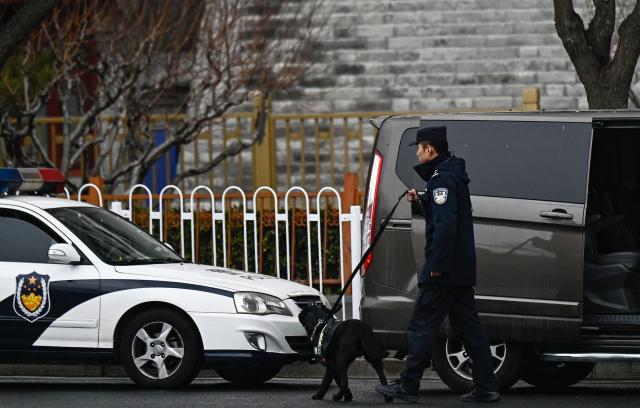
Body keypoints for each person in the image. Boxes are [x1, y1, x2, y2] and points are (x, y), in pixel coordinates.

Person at [375, 126, 500, 403]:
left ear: (429, 149)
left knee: (421, 325)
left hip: (444, 270)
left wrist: (436, 266)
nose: (418, 153)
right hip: (460, 270)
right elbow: (446, 214)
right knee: (470, 328)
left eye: (419, 148)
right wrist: (421, 201)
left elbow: (445, 227)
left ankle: (408, 386)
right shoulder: (451, 176)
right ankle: (486, 386)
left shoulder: (441, 179)